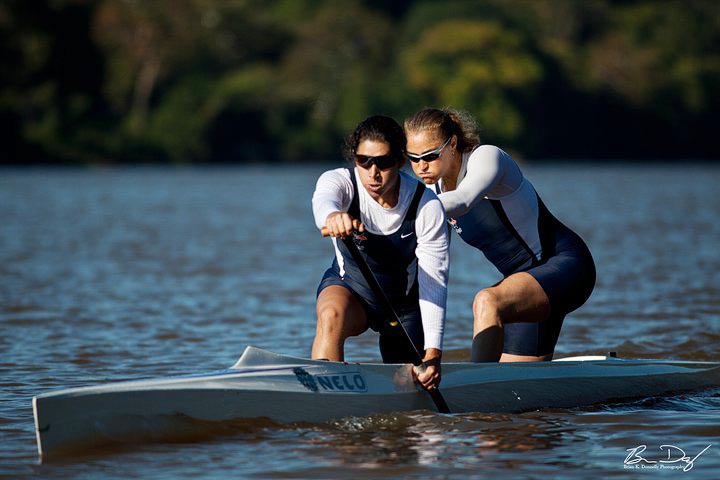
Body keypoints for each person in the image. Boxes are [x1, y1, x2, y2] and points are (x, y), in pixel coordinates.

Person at [404, 108, 595, 362]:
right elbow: (432, 263)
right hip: (521, 287)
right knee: (520, 390)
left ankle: (475, 390)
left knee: (487, 301)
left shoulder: (487, 158)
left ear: (452, 144)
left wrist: (404, 208)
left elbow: (463, 200)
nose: (421, 166)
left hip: (566, 267)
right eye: (413, 158)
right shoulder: (432, 189)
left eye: (430, 155)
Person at [312, 115, 450, 390]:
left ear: (399, 160)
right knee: (330, 314)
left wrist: (433, 355)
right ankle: (327, 396)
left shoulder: (427, 206)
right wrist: (333, 216)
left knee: (408, 390)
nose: (373, 173)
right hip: (352, 293)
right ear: (355, 158)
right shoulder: (341, 182)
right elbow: (322, 202)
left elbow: (435, 282)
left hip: (404, 310)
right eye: (364, 161)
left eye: (383, 162)